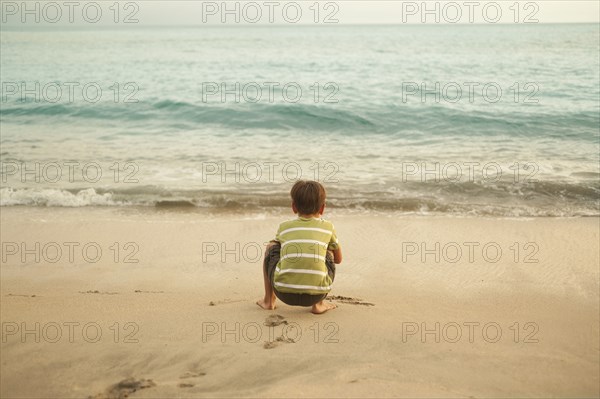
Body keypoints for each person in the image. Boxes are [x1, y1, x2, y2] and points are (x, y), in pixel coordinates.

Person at [257, 180, 342, 314]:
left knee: (270, 247)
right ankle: (319, 305)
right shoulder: (328, 227)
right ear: (322, 208)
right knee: (328, 252)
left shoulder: (284, 226)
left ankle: (269, 301)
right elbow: (338, 259)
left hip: (283, 293)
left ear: (294, 207)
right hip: (317, 294)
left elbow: (277, 248)